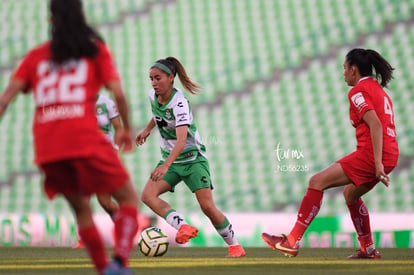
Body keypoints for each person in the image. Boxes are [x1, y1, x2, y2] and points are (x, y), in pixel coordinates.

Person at [0, 0, 139, 274]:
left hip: (48, 148)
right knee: (128, 200)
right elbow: (119, 94)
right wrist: (125, 129)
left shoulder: (35, 57)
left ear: (51, 21)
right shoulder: (94, 51)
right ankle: (120, 262)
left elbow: (5, 100)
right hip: (84, 138)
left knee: (82, 211)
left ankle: (104, 269)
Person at [262, 48, 399, 259]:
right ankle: (368, 249)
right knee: (350, 194)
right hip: (389, 153)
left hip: (373, 154)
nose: (343, 73)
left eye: (344, 68)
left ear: (354, 70)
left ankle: (292, 241)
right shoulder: (379, 91)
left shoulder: (358, 92)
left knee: (317, 181)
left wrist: (378, 163)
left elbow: (376, 125)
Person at [135, 57, 245, 257]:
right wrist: (147, 130)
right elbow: (157, 115)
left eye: (158, 78)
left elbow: (181, 140)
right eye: (151, 78)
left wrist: (166, 166)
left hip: (193, 160)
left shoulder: (180, 103)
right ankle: (183, 227)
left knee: (207, 207)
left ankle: (235, 245)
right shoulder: (153, 96)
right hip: (171, 160)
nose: (153, 83)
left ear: (171, 78)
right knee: (147, 196)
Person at [73, 93, 122, 249]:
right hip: (83, 156)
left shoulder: (106, 102)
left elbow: (118, 129)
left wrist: (114, 150)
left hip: (102, 157)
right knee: (81, 200)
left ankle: (124, 229)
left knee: (105, 202)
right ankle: (84, 239)